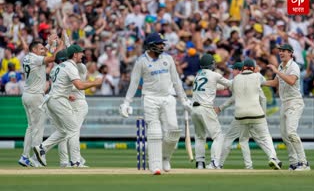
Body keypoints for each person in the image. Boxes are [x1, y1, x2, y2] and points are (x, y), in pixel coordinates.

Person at [119, 32, 192, 175]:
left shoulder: (168, 59)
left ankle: (166, 157)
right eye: (159, 44)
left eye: (162, 43)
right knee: (155, 132)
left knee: (173, 132)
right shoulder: (141, 61)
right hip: (150, 98)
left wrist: (184, 99)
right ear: (151, 46)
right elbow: (134, 83)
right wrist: (126, 103)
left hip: (168, 97)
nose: (162, 46)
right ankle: (155, 165)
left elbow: (176, 81)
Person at [33, 44, 102, 167]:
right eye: (81, 53)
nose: (83, 55)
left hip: (52, 100)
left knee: (64, 131)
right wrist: (95, 83)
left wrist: (67, 95)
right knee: (73, 129)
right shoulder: (70, 66)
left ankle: (41, 148)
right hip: (58, 101)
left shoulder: (57, 68)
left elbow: (59, 86)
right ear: (74, 55)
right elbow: (79, 86)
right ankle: (75, 161)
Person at [263, 44, 310, 171]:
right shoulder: (281, 66)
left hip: (295, 102)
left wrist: (277, 71)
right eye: (280, 51)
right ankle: (294, 163)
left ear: (290, 53)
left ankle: (304, 163)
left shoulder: (294, 66)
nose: (281, 53)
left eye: (284, 51)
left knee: (291, 133)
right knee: (284, 135)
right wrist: (259, 83)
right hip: (285, 103)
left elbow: (291, 81)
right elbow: (275, 83)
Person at [18, 37, 62, 167]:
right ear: (34, 49)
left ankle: (25, 156)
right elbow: (52, 58)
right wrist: (60, 45)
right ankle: (37, 158)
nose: (44, 50)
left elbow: (42, 54)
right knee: (38, 128)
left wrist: (48, 44)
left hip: (26, 95)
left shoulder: (28, 57)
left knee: (31, 127)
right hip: (35, 96)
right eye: (41, 49)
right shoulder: (35, 58)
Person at [232, 58, 282, 170]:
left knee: (243, 140)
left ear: (242, 68)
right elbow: (273, 84)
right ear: (253, 68)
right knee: (265, 136)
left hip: (240, 114)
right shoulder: (257, 76)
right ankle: (273, 158)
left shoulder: (236, 79)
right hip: (256, 113)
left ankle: (249, 166)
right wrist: (278, 72)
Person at [191, 54, 231, 169]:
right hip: (205, 108)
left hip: (194, 109)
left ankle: (200, 163)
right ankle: (214, 162)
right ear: (211, 64)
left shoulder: (198, 75)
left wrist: (224, 87)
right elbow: (230, 83)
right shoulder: (214, 74)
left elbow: (212, 86)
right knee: (218, 136)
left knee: (199, 136)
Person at [215, 62, 253, 169]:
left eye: (234, 69)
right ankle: (250, 165)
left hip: (241, 114)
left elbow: (228, 92)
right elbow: (227, 91)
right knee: (248, 140)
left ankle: (219, 164)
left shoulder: (237, 81)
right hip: (255, 114)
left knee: (228, 138)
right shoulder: (251, 80)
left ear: (240, 70)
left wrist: (220, 107)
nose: (232, 71)